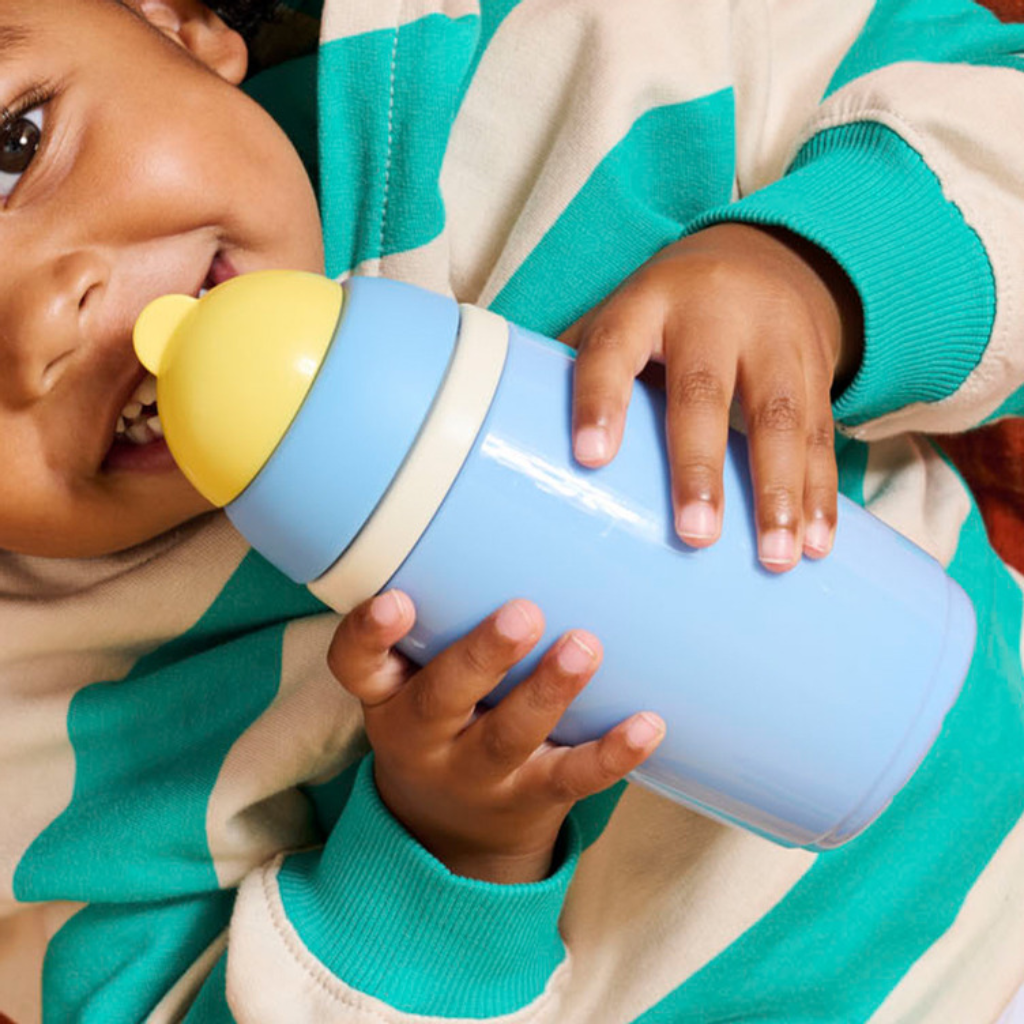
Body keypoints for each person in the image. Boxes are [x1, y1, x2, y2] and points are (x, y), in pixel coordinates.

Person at [0, 0, 1022, 1021]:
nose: (44, 320)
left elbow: (989, 102)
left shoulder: (578, 57)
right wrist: (445, 855)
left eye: (16, 147)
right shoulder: (41, 758)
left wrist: (818, 272)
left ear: (176, 21)